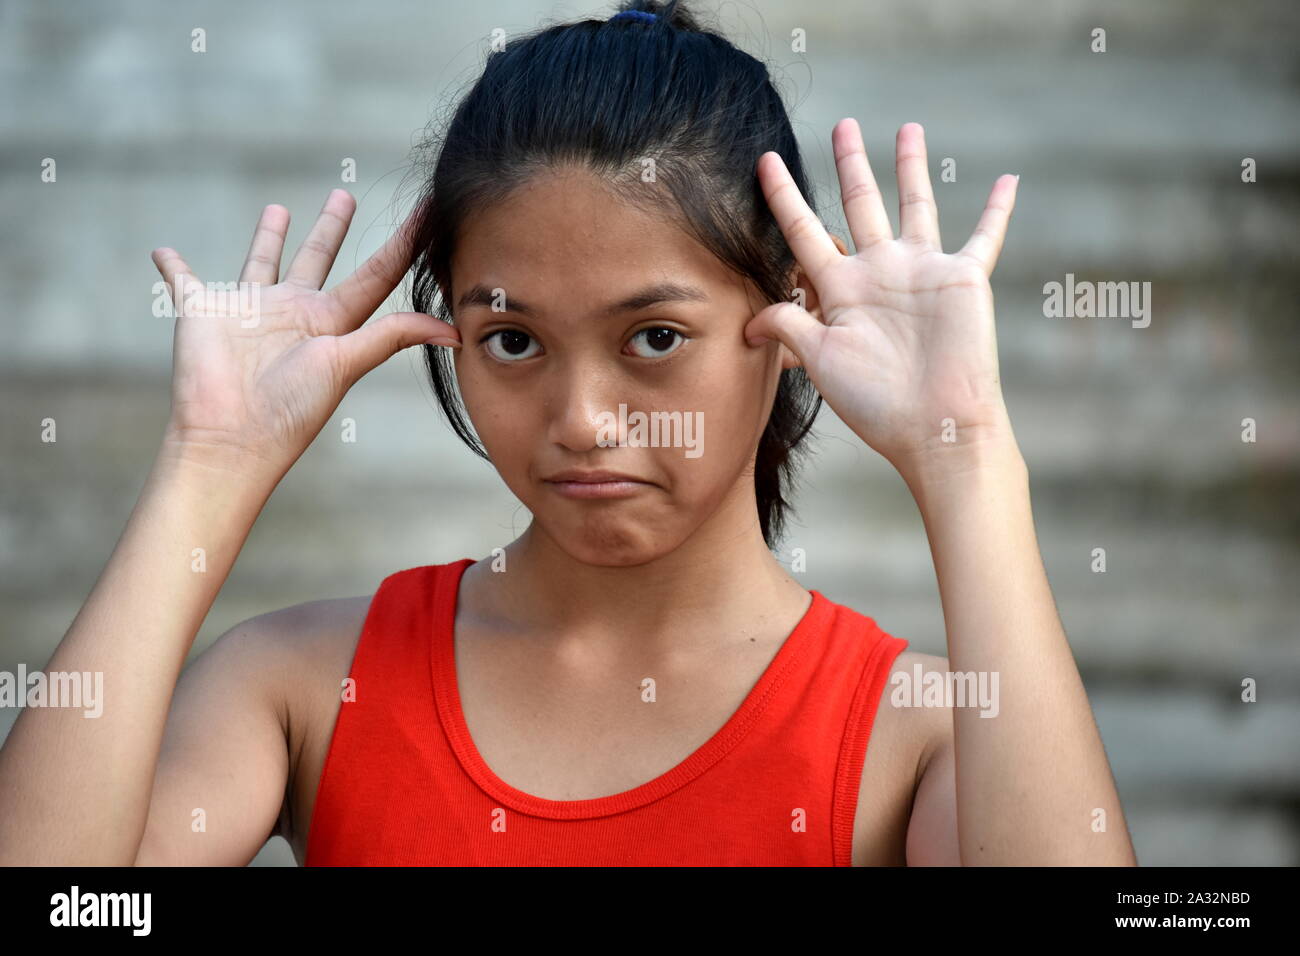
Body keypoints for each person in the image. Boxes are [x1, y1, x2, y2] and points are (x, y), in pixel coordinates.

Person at [0, 0, 1137, 866]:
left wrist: (965, 457)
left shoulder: (920, 732)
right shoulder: (304, 686)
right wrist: (207, 467)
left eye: (651, 337)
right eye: (512, 341)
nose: (582, 422)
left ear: (788, 310)